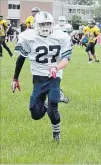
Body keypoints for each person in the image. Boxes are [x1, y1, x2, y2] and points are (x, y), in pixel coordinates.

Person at [11, 11, 72, 142]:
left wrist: (56, 67)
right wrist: (15, 78)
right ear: (35, 25)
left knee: (53, 106)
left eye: (48, 24)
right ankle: (46, 103)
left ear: (53, 24)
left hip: (54, 76)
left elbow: (66, 59)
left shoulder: (61, 36)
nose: (45, 27)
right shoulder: (28, 37)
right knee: (36, 114)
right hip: (38, 77)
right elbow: (21, 58)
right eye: (42, 24)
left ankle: (56, 136)